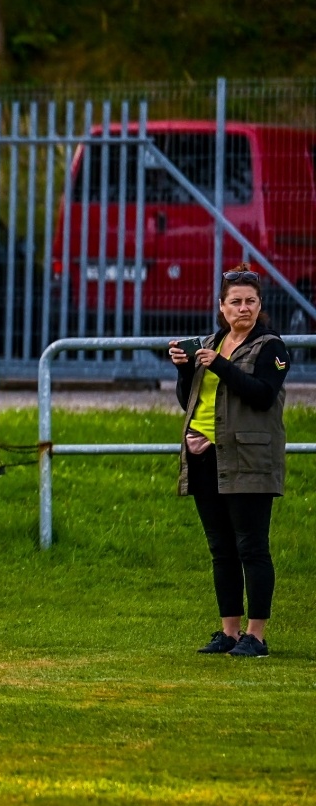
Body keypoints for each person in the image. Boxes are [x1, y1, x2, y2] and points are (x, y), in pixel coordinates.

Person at [168, 266, 290, 658]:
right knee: (221, 548)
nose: (243, 308)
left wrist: (218, 364)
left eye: (250, 301)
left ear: (259, 305)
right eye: (235, 302)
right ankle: (229, 633)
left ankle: (257, 635)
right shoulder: (212, 341)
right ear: (221, 307)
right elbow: (189, 399)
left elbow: (262, 395)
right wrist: (186, 369)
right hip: (203, 456)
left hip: (248, 458)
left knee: (252, 547)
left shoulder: (271, 346)